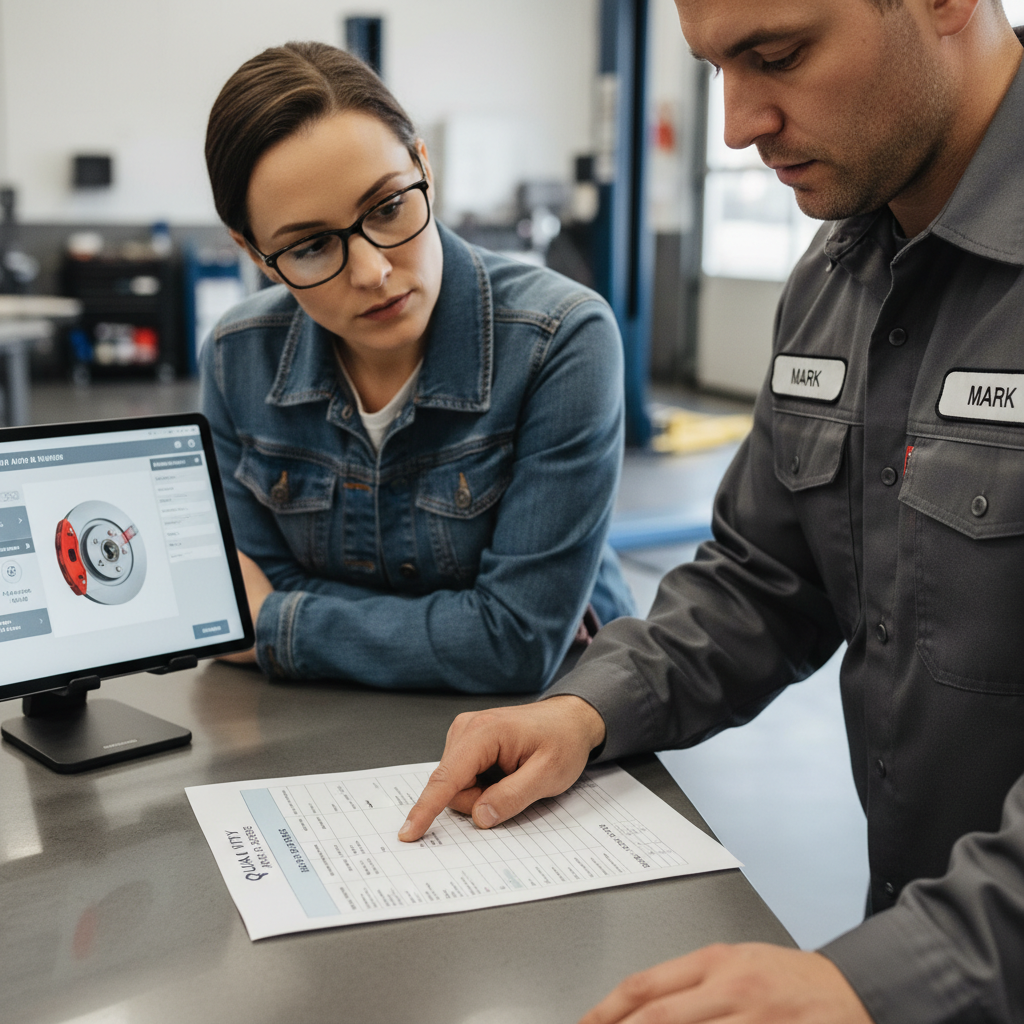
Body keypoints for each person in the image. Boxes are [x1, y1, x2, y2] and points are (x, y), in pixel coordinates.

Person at [400, 0, 1024, 1019]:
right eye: (713, 67)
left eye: (776, 55)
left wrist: (873, 981)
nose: (733, 124)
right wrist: (586, 706)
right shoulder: (836, 278)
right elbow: (760, 581)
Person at [199, 42, 634, 691]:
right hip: (319, 728)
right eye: (312, 247)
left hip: (549, 721)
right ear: (256, 253)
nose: (374, 272)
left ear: (423, 166)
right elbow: (253, 584)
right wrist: (460, 627)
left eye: (387, 207)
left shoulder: (560, 340)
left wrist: (280, 623)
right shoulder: (238, 358)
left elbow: (515, 641)